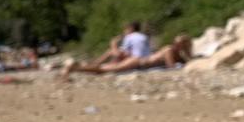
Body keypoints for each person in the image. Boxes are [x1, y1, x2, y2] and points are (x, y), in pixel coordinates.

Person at [62, 35, 193, 79]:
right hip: (139, 63)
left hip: (139, 63)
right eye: (180, 45)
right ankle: (76, 68)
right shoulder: (168, 50)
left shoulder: (173, 52)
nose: (178, 46)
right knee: (105, 70)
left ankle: (77, 67)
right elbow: (171, 67)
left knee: (104, 68)